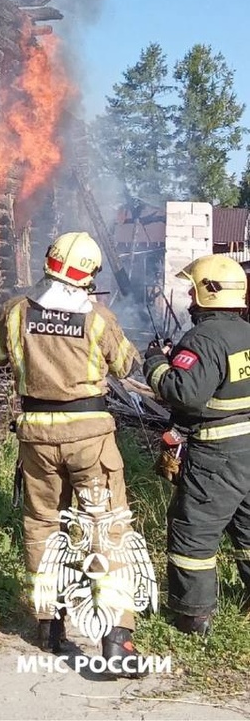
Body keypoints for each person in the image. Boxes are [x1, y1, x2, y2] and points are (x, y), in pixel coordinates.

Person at [0, 231, 147, 675]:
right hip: (90, 438)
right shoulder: (97, 318)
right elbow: (126, 365)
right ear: (89, 274)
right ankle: (116, 641)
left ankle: (49, 626)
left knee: (42, 526)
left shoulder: (17, 312)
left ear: (49, 262)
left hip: (36, 435)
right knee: (106, 530)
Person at [144, 253, 250, 635]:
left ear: (208, 293)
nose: (189, 297)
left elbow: (184, 393)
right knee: (249, 529)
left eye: (193, 290)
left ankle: (193, 617)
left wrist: (156, 363)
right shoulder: (246, 333)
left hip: (218, 454)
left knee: (193, 531)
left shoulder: (203, 338)